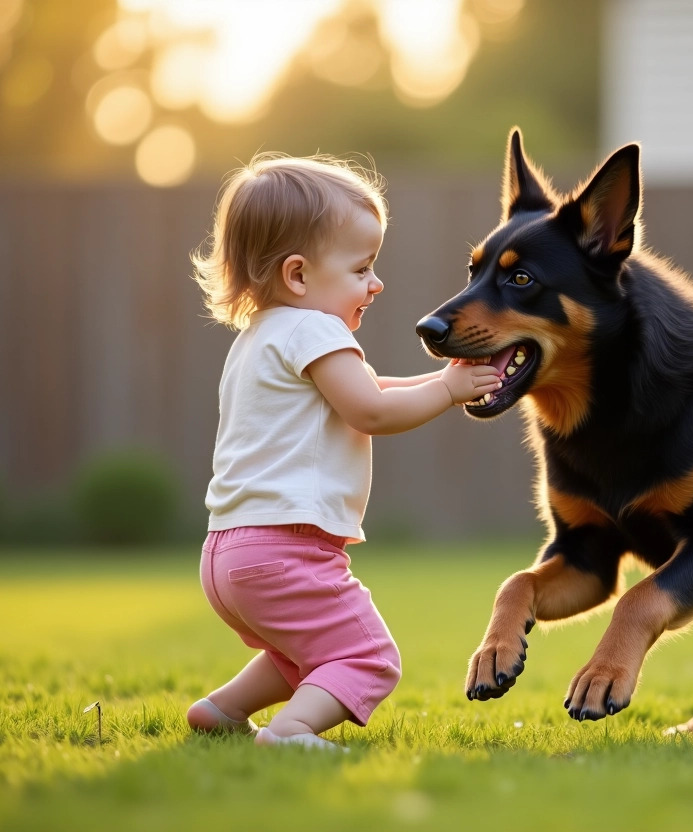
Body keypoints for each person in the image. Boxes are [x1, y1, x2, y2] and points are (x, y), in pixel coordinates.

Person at [185, 153, 502, 749]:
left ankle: (221, 709)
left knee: (303, 651)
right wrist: (447, 388)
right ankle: (291, 732)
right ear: (299, 275)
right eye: (362, 268)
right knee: (368, 656)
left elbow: (373, 388)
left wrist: (443, 385)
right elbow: (370, 411)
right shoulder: (315, 329)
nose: (375, 283)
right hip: (286, 550)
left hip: (229, 552)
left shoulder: (262, 336)